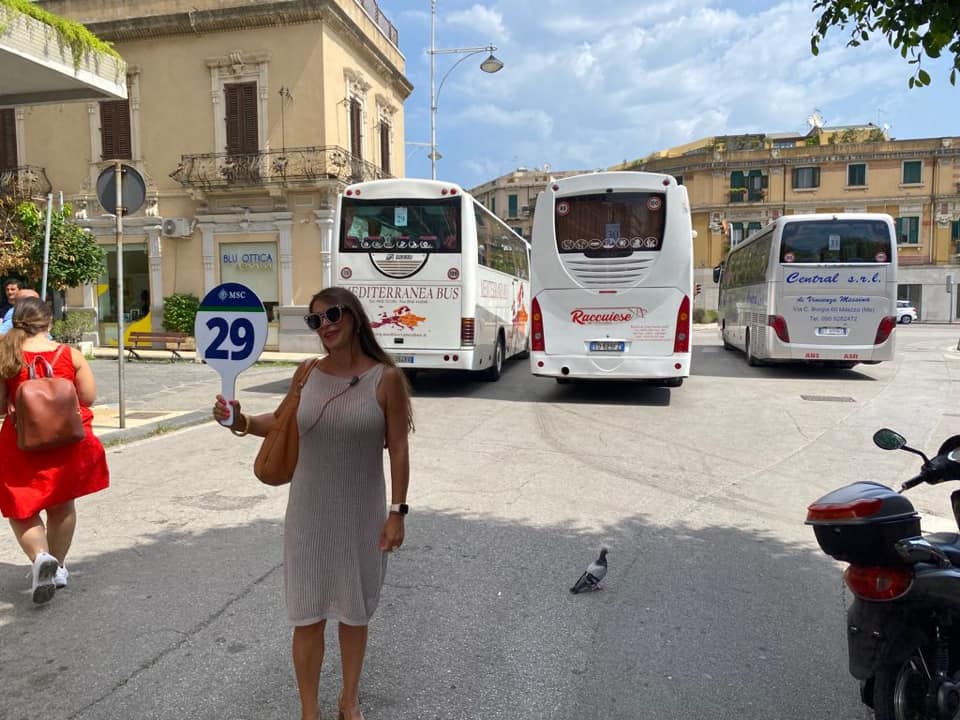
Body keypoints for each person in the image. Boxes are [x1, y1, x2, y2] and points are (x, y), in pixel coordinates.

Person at [213, 286, 413, 720]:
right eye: (315, 320)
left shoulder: (386, 379)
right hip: (308, 515)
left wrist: (397, 512)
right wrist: (241, 421)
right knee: (308, 615)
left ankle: (349, 700)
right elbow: (282, 424)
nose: (325, 324)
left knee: (354, 615)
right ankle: (310, 710)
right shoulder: (306, 373)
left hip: (361, 515)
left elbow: (397, 447)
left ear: (354, 317)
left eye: (333, 314)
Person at [0, 295, 110, 604]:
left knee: (21, 508)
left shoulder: (6, 356)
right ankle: (57, 566)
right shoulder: (69, 354)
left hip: (22, 443)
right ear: (49, 323)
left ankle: (39, 557)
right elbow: (87, 397)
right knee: (62, 506)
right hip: (66, 442)